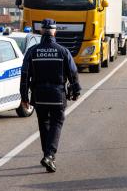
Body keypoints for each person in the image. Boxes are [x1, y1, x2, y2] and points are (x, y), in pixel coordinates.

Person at [20, 18, 81, 173]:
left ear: (41, 31)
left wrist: (24, 97)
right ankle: (49, 155)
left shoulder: (32, 51)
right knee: (56, 123)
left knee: (43, 124)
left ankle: (48, 155)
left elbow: (25, 75)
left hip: (39, 96)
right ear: (55, 31)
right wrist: (76, 90)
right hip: (57, 95)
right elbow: (73, 73)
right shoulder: (63, 51)